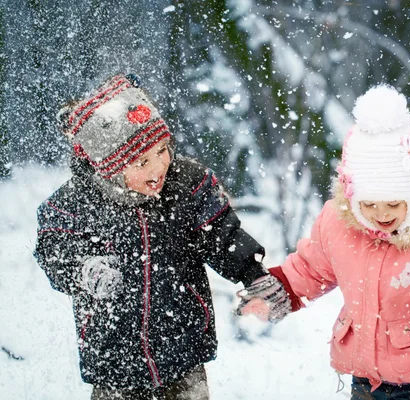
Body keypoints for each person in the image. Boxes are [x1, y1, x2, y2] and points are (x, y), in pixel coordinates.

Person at [238, 85, 410, 399]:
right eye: (369, 205)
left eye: (394, 204)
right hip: (364, 377)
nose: (381, 214)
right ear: (353, 197)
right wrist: (277, 293)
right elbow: (311, 269)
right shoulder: (339, 226)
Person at [34, 73, 289, 400]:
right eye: (142, 161)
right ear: (110, 168)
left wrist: (253, 275)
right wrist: (86, 270)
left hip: (183, 348)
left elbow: (223, 236)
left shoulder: (188, 184)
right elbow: (55, 250)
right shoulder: (76, 204)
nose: (159, 168)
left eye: (163, 150)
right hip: (114, 358)